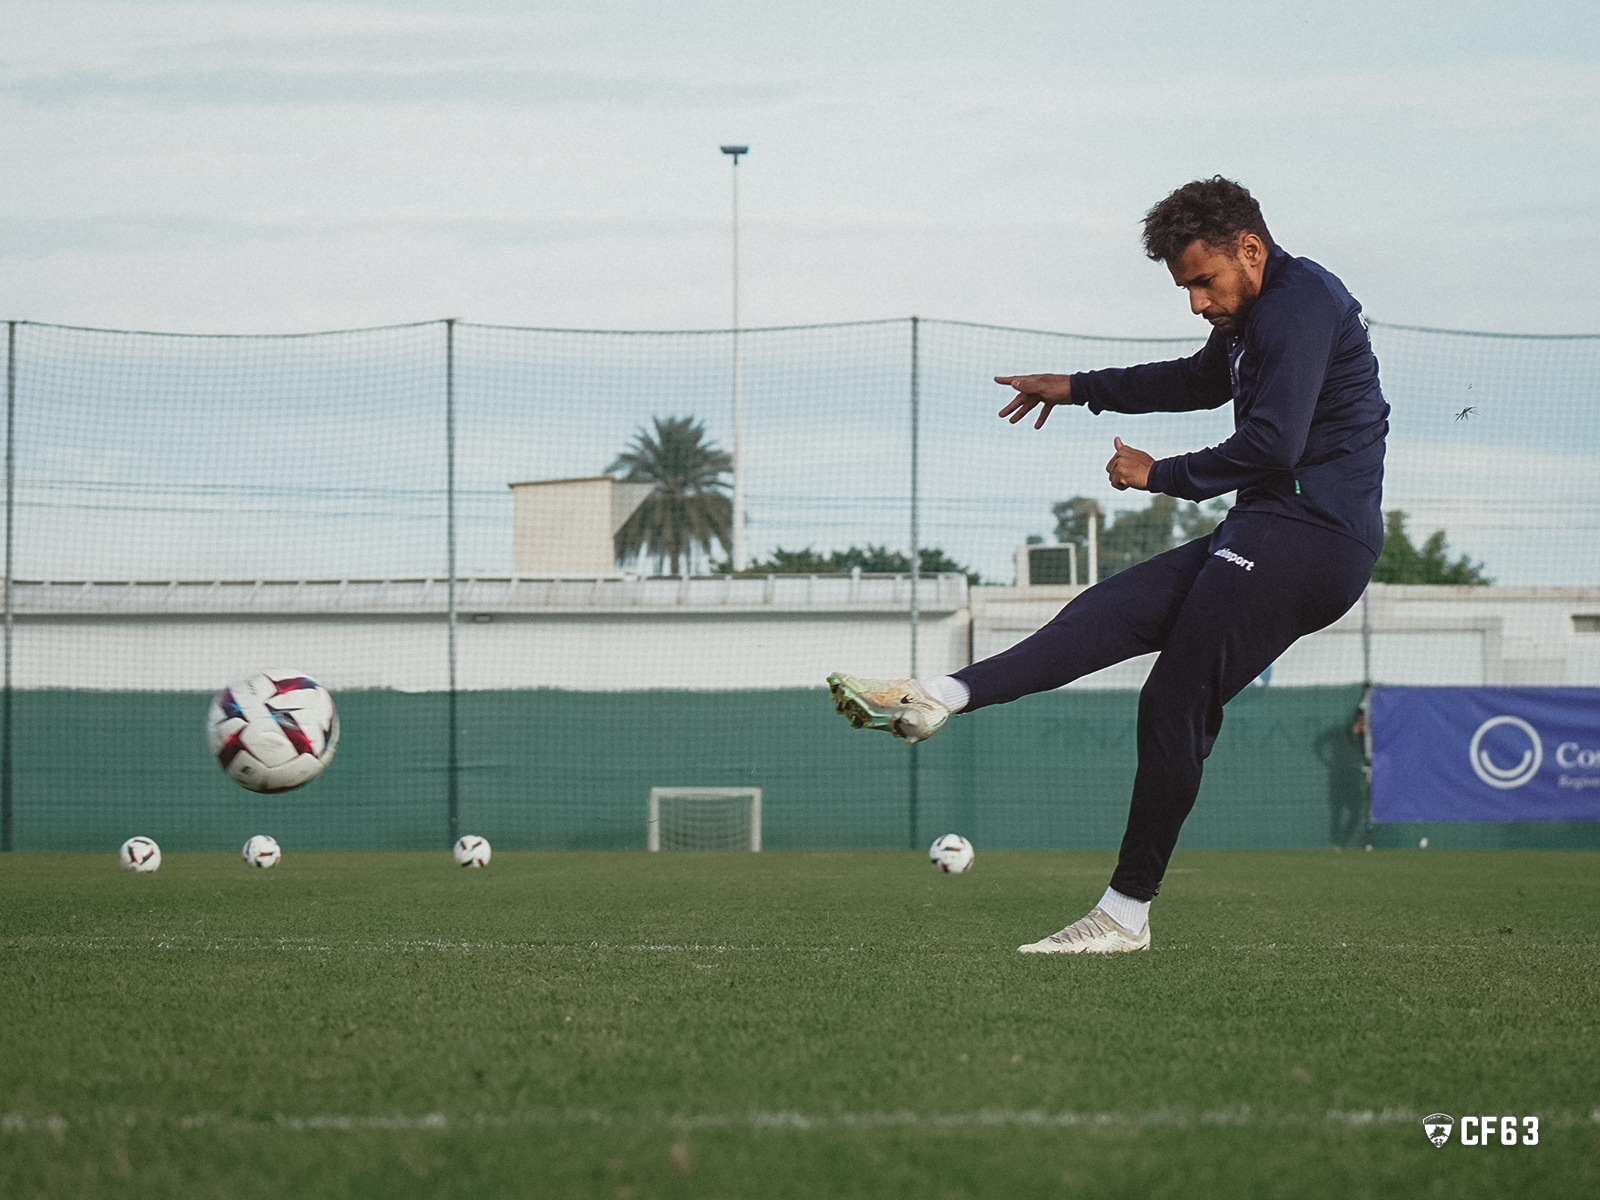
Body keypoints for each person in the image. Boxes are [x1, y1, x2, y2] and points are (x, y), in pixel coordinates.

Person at [828, 176, 1388, 954]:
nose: (1196, 301)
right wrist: (1079, 388)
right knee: (1112, 608)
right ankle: (937, 697)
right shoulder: (1256, 314)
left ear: (1250, 250)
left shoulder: (1298, 304)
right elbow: (1198, 380)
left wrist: (1157, 475)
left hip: (1314, 537)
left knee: (1174, 701)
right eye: (1185, 286)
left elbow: (1274, 445)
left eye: (1203, 280)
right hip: (1271, 524)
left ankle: (1125, 914)